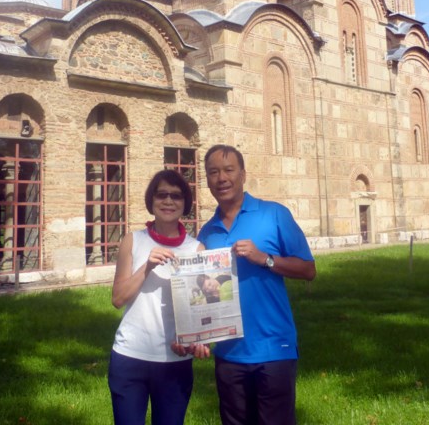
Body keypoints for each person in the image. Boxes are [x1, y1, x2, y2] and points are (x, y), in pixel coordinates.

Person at [196, 144, 316, 425]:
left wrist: (265, 259)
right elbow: (199, 290)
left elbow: (309, 270)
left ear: (243, 174)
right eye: (213, 172)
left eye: (228, 170)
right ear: (207, 180)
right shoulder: (207, 231)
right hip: (228, 353)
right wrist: (199, 335)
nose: (221, 178)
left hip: (273, 348)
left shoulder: (274, 214)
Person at [109, 169, 207, 425]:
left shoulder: (196, 248)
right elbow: (118, 298)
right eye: (161, 194)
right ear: (151, 201)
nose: (168, 201)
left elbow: (201, 307)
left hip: (175, 359)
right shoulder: (133, 241)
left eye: (176, 196)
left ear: (185, 203)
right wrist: (147, 267)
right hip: (130, 355)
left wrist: (198, 340)